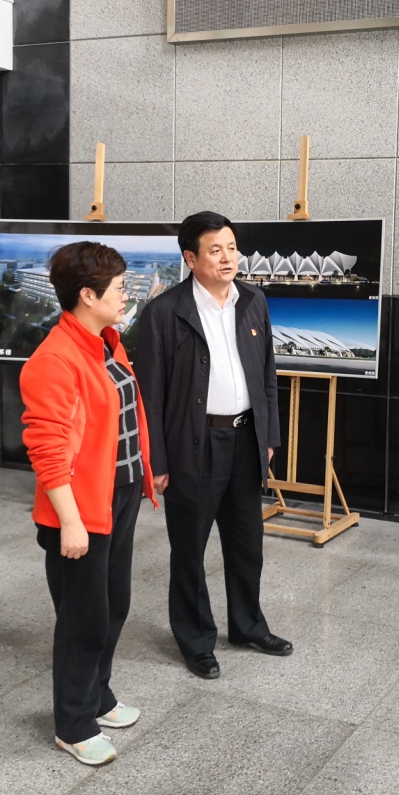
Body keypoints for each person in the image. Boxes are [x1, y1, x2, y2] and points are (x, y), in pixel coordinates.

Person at [134, 211, 293, 680]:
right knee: (189, 550)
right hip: (193, 444)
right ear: (191, 258)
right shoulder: (165, 312)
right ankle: (196, 641)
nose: (228, 258)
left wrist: (268, 436)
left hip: (246, 439)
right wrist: (157, 460)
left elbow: (267, 374)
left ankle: (248, 626)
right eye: (215, 250)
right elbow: (150, 395)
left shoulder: (253, 300)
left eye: (232, 248)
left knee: (247, 545)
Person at [19, 241, 157, 767]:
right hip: (78, 509)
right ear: (87, 295)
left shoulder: (106, 343)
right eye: (119, 288)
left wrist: (144, 476)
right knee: (84, 620)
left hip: (118, 493)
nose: (126, 295)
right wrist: (70, 522)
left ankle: (98, 696)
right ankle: (73, 724)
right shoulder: (54, 359)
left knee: (114, 604)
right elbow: (48, 451)